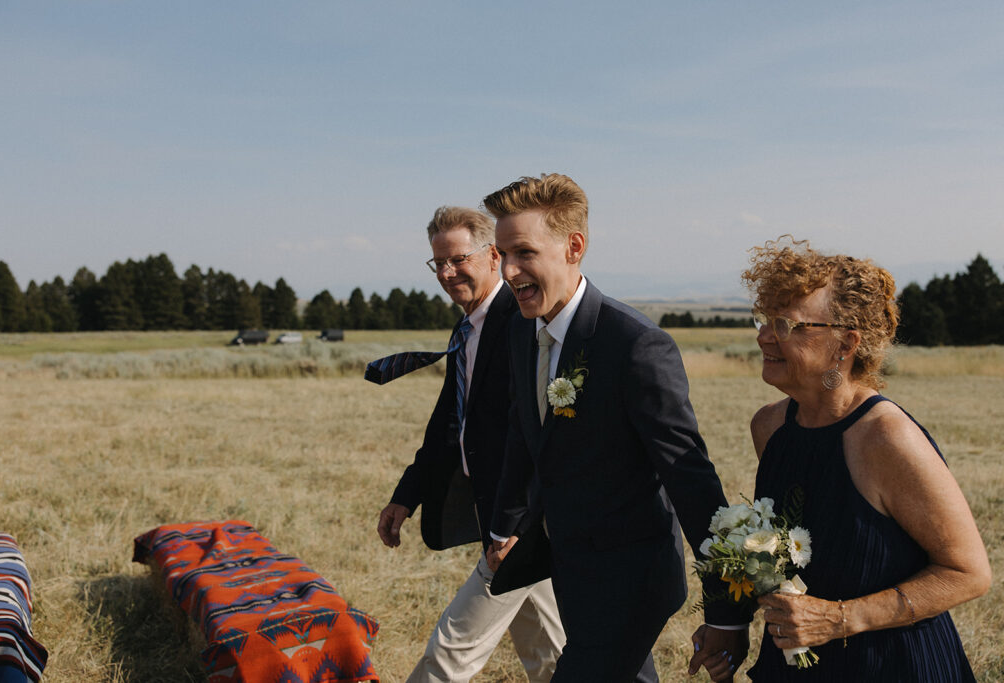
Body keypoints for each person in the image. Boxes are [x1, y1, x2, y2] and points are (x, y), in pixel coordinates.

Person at [481, 174, 746, 682]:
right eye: (501, 254)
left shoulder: (634, 346)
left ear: (573, 246)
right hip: (572, 568)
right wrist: (505, 525)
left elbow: (690, 478)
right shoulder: (520, 329)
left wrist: (726, 609)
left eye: (523, 253)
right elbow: (524, 429)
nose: (509, 271)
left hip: (633, 579)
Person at [725, 236, 990, 681]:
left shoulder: (886, 438)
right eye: (764, 319)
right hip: (797, 665)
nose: (763, 336)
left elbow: (968, 573)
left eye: (787, 325)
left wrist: (841, 619)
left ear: (845, 345)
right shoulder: (769, 427)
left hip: (892, 666)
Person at [374, 206, 565, 682]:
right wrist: (407, 494)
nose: (445, 272)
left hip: (519, 523)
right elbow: (449, 423)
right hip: (495, 515)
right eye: (437, 262)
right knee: (548, 652)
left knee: (451, 649)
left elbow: (538, 436)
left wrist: (515, 524)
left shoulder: (523, 323)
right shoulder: (467, 327)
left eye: (457, 259)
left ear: (492, 255)